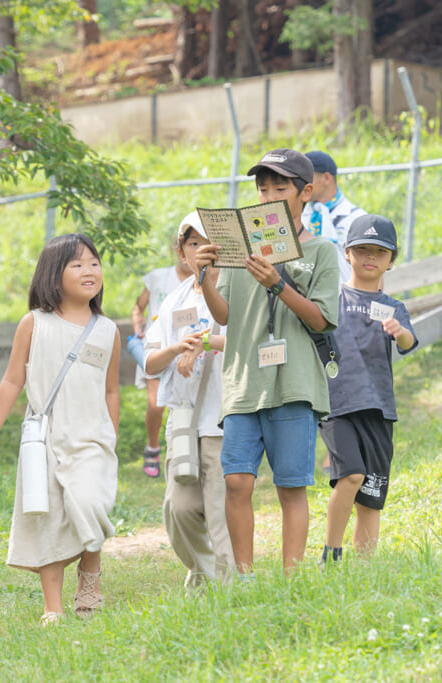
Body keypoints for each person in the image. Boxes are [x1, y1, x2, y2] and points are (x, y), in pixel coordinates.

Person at [196, 148, 340, 577]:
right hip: (243, 383)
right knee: (237, 481)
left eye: (280, 187)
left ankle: (290, 577)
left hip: (294, 384)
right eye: (262, 188)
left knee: (291, 486)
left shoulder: (322, 252)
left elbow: (321, 319)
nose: (268, 195)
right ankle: (244, 576)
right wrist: (205, 278)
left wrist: (279, 283)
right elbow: (226, 316)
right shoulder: (240, 252)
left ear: (305, 193)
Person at [0, 233, 120, 626]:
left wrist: (113, 437)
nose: (90, 270)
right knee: (49, 518)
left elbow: (111, 389)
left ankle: (90, 576)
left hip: (92, 438)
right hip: (45, 439)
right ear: (54, 276)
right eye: (78, 264)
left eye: (94, 262)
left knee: (90, 504)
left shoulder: (107, 330)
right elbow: (10, 382)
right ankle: (52, 606)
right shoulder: (34, 323)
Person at [318, 215, 418, 564]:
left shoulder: (394, 308)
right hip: (338, 404)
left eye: (379, 252)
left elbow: (408, 341)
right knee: (352, 476)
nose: (370, 258)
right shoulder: (331, 297)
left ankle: (365, 569)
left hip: (379, 409)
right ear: (347, 253)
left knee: (371, 494)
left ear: (391, 259)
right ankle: (331, 554)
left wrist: (398, 331)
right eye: (362, 250)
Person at [144, 211, 234, 588]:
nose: (201, 251)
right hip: (183, 420)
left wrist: (201, 346)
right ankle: (203, 572)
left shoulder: (235, 289)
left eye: (207, 242)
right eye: (193, 243)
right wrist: (178, 348)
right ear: (181, 252)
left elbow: (245, 340)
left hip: (223, 419)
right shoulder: (171, 302)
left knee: (219, 511)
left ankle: (230, 589)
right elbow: (150, 361)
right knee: (178, 509)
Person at [129, 253, 191, 477]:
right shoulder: (158, 278)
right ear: (179, 250)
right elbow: (139, 307)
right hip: (156, 349)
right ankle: (153, 447)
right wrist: (138, 328)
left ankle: (185, 451)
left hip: (189, 351)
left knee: (185, 404)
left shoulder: (204, 281)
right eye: (189, 244)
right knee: (155, 405)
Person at [301, 151, 368, 283]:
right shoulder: (301, 215)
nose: (301, 185)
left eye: (306, 178)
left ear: (326, 178)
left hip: (346, 299)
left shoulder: (357, 218)